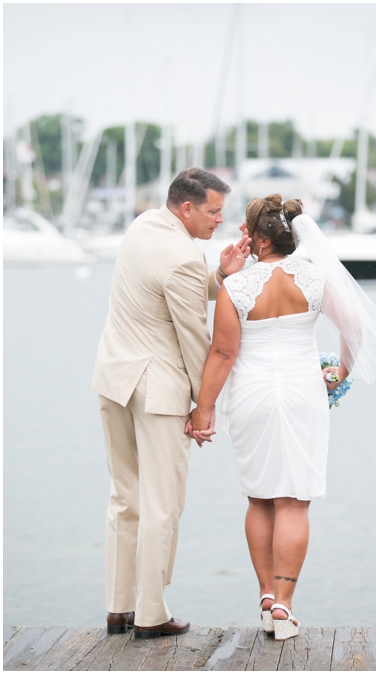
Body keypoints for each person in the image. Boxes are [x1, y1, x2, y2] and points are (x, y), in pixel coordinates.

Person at [185, 195, 376, 641]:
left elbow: (223, 353)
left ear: (262, 240)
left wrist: (203, 410)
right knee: (294, 501)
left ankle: (266, 595)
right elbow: (356, 328)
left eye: (249, 233)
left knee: (260, 498)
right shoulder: (315, 278)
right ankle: (285, 607)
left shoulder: (236, 288)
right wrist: (340, 371)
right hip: (303, 394)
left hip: (252, 396)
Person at [93, 168, 250, 638]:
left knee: (126, 497)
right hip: (157, 390)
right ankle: (151, 614)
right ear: (187, 208)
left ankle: (119, 609)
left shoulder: (143, 225)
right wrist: (205, 406)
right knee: (163, 504)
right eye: (213, 211)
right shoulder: (182, 256)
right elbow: (195, 338)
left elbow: (167, 286)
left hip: (113, 378)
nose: (220, 220)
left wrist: (219, 273)